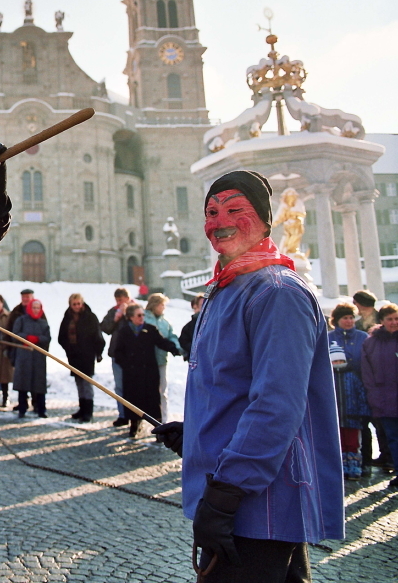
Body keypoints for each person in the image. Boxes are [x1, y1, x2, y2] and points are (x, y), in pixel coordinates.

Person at [153, 170, 344, 580]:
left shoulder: (276, 292)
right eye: (211, 211)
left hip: (260, 502)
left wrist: (225, 494)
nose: (219, 221)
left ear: (264, 219)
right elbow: (233, 389)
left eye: (234, 209)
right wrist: (196, 433)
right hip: (244, 498)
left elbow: (277, 406)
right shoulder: (229, 289)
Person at [112, 303, 177, 438]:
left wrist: (176, 349)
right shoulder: (124, 332)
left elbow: (162, 342)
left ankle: (158, 429)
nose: (142, 317)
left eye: (143, 315)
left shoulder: (150, 329)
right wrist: (127, 365)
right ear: (130, 317)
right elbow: (117, 352)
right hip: (132, 374)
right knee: (133, 399)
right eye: (139, 315)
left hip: (149, 372)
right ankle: (134, 425)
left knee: (153, 400)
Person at [327, 303, 371, 480]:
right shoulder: (328, 337)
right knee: (336, 427)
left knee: (359, 426)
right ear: (337, 320)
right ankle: (338, 466)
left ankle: (361, 463)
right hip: (335, 385)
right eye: (345, 318)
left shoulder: (363, 337)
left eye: (351, 317)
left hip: (356, 385)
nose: (349, 321)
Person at [361, 303, 398, 488]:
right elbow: (367, 374)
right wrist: (373, 395)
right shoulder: (371, 343)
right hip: (384, 399)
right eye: (390, 319)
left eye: (396, 319)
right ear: (382, 321)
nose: (394, 322)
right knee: (392, 437)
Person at [57, 293, 104, 422]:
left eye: (79, 304)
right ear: (70, 305)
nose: (77, 306)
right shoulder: (67, 318)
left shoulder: (90, 317)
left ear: (82, 304)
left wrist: (98, 352)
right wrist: (69, 348)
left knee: (87, 382)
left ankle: (88, 410)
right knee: (78, 382)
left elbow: (98, 337)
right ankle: (82, 408)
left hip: (87, 355)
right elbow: (61, 337)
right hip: (74, 355)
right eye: (74, 304)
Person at [143, 293, 181, 423]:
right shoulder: (144, 319)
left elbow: (172, 337)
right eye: (162, 305)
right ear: (155, 305)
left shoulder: (165, 322)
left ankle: (163, 420)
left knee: (162, 392)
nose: (164, 308)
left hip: (161, 361)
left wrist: (177, 348)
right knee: (145, 391)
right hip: (145, 362)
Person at [12, 298, 51, 418]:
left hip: (38, 357)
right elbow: (14, 335)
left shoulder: (44, 323)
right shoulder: (21, 320)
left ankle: (41, 408)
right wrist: (26, 338)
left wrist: (38, 339)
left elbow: (47, 338)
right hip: (24, 356)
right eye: (33, 307)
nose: (35, 310)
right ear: (29, 308)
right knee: (23, 382)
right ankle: (22, 408)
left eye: (38, 308)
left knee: (39, 383)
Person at [101, 287, 133, 427]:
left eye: (122, 299)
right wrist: (116, 318)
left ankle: (134, 416)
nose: (120, 302)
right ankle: (123, 414)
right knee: (119, 386)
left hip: (133, 354)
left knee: (133, 386)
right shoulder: (113, 311)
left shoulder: (135, 310)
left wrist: (127, 315)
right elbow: (105, 328)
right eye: (117, 300)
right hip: (117, 353)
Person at [178, 294, 203, 361]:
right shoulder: (189, 327)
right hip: (196, 361)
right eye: (202, 304)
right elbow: (183, 342)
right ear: (195, 306)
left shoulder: (214, 321)